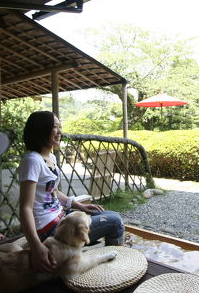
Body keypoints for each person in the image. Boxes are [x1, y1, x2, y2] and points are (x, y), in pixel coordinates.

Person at [18, 110, 124, 273]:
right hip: (50, 231)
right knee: (115, 221)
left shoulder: (50, 158)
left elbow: (53, 191)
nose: (60, 131)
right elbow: (25, 207)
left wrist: (79, 206)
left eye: (60, 126)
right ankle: (113, 269)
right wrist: (36, 246)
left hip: (62, 218)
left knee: (108, 214)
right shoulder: (32, 160)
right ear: (41, 129)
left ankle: (101, 260)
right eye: (55, 127)